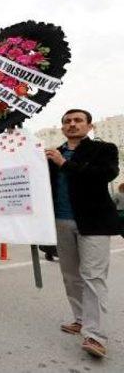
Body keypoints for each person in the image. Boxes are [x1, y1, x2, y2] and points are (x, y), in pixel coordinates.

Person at [45, 109, 120, 358]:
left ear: (90, 126)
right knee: (70, 276)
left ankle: (95, 335)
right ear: (62, 127)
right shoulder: (53, 154)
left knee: (93, 277)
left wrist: (65, 164)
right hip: (61, 222)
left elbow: (105, 175)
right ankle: (79, 319)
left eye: (78, 120)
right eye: (67, 121)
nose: (72, 124)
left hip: (94, 223)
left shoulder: (104, 149)